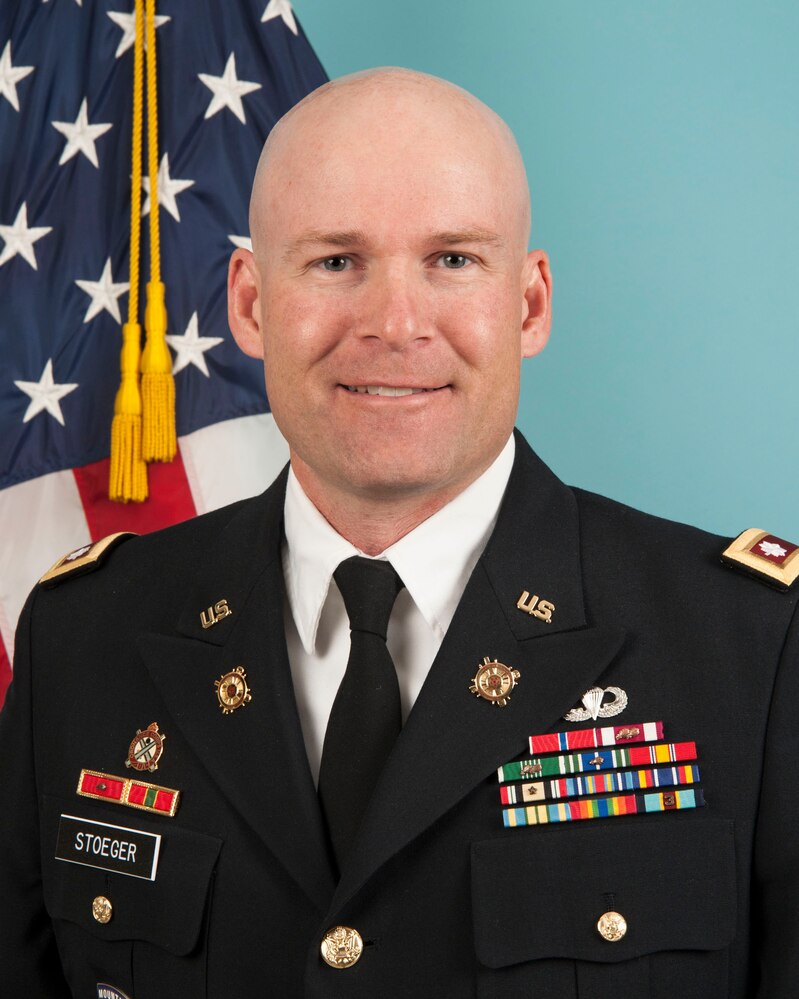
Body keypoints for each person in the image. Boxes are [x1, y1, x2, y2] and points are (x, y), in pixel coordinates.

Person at [0, 67, 797, 999]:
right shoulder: (81, 638)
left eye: (452, 259)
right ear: (249, 304)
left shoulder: (751, 648)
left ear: (529, 304)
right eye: (336, 261)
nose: (394, 323)